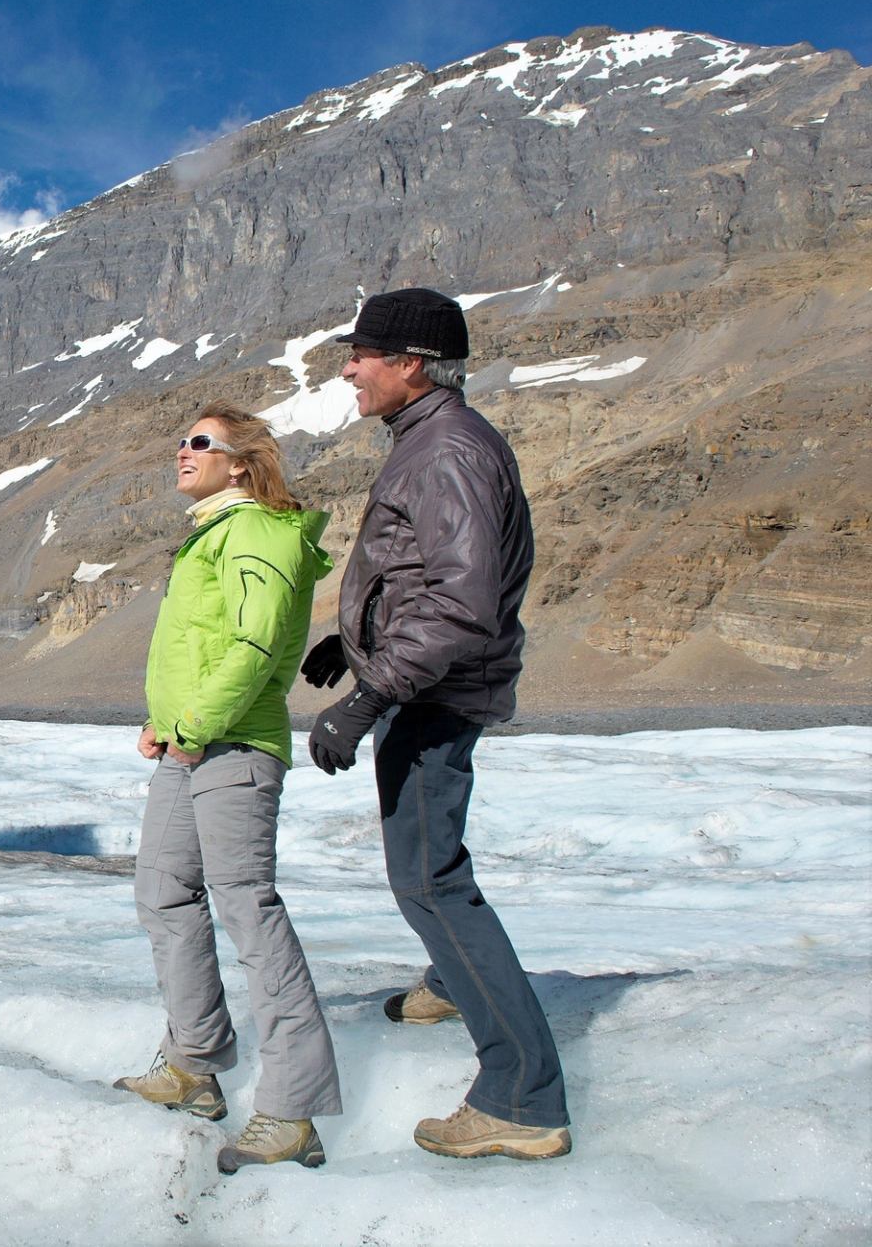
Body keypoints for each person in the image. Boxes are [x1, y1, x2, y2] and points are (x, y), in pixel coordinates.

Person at [301, 287, 572, 1160]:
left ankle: (521, 1098)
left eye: (364, 355)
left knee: (429, 879)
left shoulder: (447, 450)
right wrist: (353, 639)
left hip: (433, 695)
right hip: (423, 685)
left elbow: (459, 606)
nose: (349, 368)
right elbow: (421, 575)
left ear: (411, 364)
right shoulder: (431, 439)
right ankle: (453, 980)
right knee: (430, 869)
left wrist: (369, 694)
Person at [115, 401, 342, 1175]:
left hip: (236, 744)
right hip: (191, 742)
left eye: (200, 442)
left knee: (248, 907)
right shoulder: (212, 531)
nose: (182, 450)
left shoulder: (256, 532)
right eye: (180, 438)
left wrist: (197, 720)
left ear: (240, 462)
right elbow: (203, 644)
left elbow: (255, 641)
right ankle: (195, 1060)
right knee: (163, 890)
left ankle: (292, 1108)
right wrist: (166, 720)